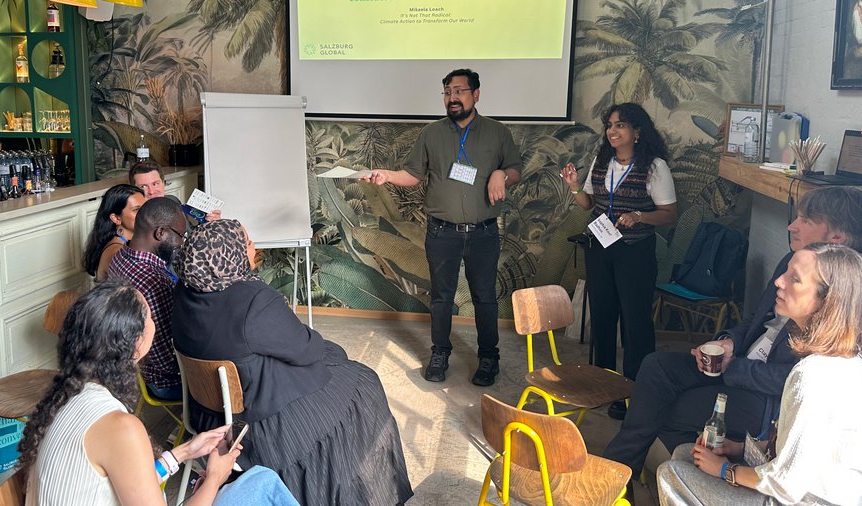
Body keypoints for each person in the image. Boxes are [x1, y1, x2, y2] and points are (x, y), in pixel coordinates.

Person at [603, 186, 862, 486]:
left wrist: (733, 367)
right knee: (657, 367)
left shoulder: (844, 300)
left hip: (766, 402)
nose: (792, 225)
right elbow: (753, 321)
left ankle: (691, 481)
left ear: (836, 239)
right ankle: (619, 475)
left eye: (806, 219)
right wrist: (728, 342)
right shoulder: (792, 262)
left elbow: (794, 383)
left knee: (671, 410)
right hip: (739, 365)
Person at [172, 219, 413, 505]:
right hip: (265, 421)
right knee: (363, 381)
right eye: (247, 243)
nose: (253, 248)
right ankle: (351, 486)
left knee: (334, 354)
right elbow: (306, 350)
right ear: (229, 254)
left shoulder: (183, 294)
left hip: (211, 413)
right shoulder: (254, 301)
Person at [19, 281, 297, 506]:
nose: (155, 321)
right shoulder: (120, 427)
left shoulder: (65, 396)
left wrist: (182, 453)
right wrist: (214, 478)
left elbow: (128, 480)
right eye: (150, 315)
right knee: (262, 481)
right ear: (136, 344)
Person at [657, 243, 862, 505]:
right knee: (686, 455)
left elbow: (787, 485)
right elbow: (807, 453)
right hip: (810, 489)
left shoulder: (816, 374)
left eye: (794, 279)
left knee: (671, 474)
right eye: (786, 272)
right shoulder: (855, 359)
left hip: (812, 500)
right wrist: (739, 449)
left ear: (826, 302)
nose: (779, 281)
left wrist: (725, 470)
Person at [363, 68, 521, 386]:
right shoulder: (431, 134)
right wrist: (388, 175)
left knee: (485, 298)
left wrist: (501, 174)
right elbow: (413, 175)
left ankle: (489, 357)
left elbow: (515, 168)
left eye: (459, 91)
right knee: (441, 297)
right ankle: (440, 353)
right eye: (448, 92)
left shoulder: (497, 133)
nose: (452, 97)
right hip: (442, 232)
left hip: (483, 232)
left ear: (476, 94)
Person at [559, 102, 677, 417]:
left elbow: (669, 213)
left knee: (635, 322)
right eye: (609, 125)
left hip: (635, 253)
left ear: (637, 132)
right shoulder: (601, 161)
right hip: (600, 248)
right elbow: (588, 204)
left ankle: (635, 392)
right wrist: (573, 187)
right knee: (603, 316)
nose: (612, 131)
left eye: (620, 125)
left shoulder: (654, 166)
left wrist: (640, 215)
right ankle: (604, 385)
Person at [107, 197, 187, 400]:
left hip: (135, 370)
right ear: (160, 232)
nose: (181, 242)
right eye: (180, 235)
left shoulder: (121, 256)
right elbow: (165, 361)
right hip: (163, 382)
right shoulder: (156, 282)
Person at [81, 184, 145, 282]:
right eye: (136, 210)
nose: (145, 214)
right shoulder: (117, 253)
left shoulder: (128, 242)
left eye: (145, 207)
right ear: (116, 218)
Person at [129, 160, 221, 221]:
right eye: (143, 186)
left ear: (164, 184)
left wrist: (210, 222)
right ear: (133, 190)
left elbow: (189, 233)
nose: (151, 192)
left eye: (155, 184)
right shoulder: (134, 218)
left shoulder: (173, 200)